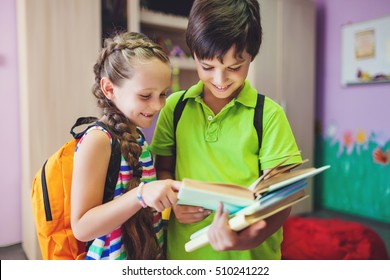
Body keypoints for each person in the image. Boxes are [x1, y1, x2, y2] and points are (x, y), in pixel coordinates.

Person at [150, 0, 302, 260]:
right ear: (194, 54)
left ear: (251, 56)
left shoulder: (268, 115)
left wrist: (246, 239)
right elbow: (163, 170)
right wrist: (174, 204)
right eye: (207, 67)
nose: (220, 81)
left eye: (234, 67)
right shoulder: (174, 108)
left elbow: (280, 199)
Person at [70, 31, 181, 260]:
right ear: (109, 89)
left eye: (162, 94)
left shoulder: (137, 137)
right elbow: (82, 227)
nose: (158, 105)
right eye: (145, 95)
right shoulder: (98, 141)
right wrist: (141, 195)